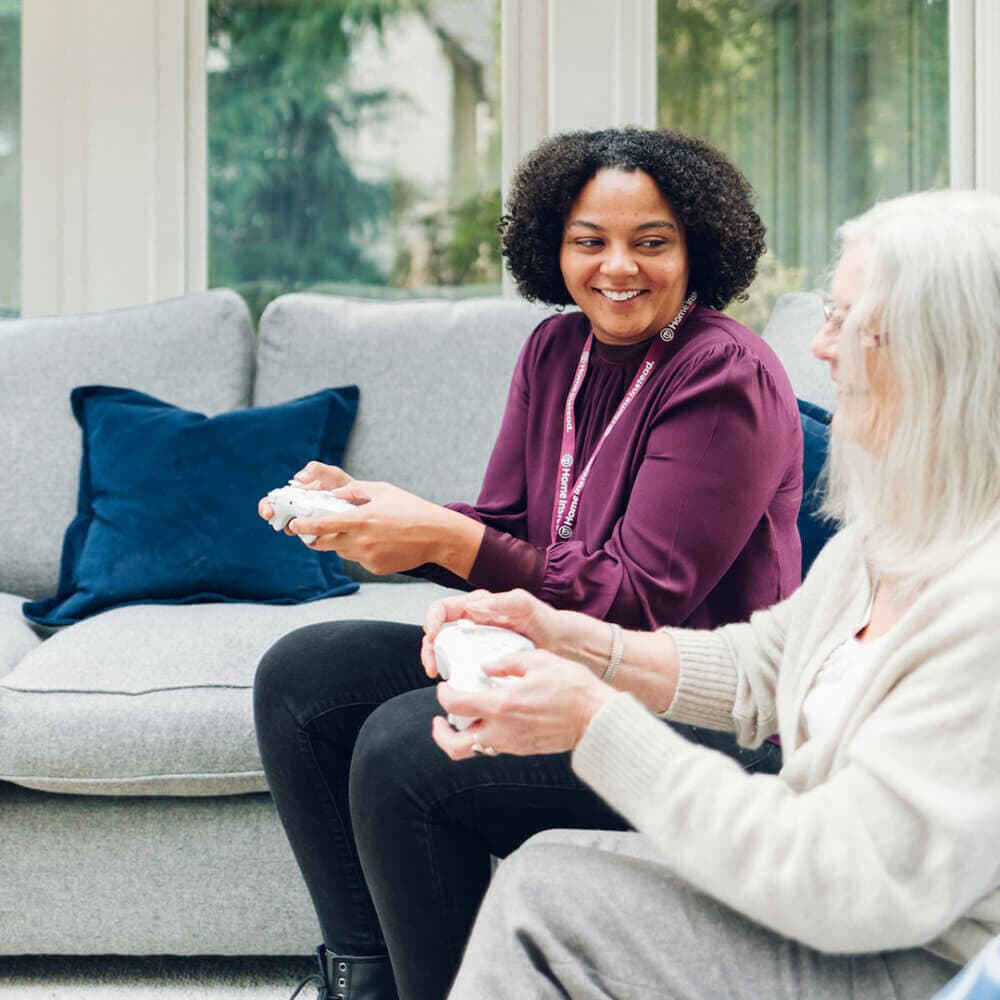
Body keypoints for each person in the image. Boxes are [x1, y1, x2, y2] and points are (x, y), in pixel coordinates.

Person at [255, 127, 804, 1000]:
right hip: (564, 663)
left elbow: (636, 599)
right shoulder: (556, 351)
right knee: (304, 676)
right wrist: (389, 515)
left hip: (701, 718)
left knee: (408, 745)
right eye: (590, 241)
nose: (617, 268)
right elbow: (509, 526)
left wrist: (439, 537)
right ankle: (368, 982)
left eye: (651, 242)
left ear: (699, 246)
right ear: (554, 247)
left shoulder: (724, 375)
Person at [429, 188, 1000, 1000]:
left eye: (844, 320)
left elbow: (846, 881)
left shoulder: (984, 606)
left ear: (940, 351)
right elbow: (762, 665)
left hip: (928, 959)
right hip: (858, 917)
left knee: (544, 903)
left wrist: (595, 719)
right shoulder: (892, 537)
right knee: (545, 867)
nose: (822, 350)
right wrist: (566, 638)